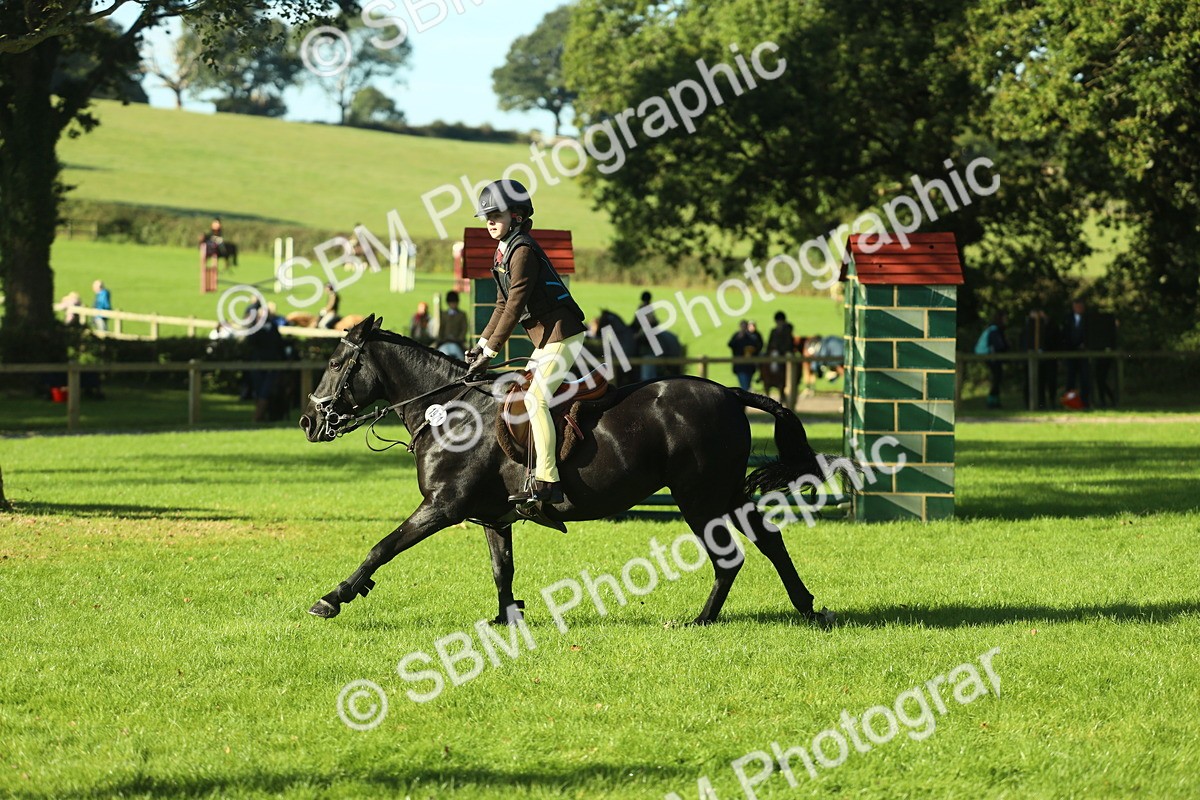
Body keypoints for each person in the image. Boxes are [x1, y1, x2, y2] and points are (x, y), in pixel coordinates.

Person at [465, 179, 587, 511]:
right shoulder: (504, 250)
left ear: (517, 216)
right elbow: (501, 306)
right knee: (521, 396)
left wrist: (490, 353)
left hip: (562, 334)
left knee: (536, 399)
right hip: (546, 339)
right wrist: (480, 345)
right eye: (486, 216)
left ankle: (549, 481)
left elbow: (516, 305)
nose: (489, 221)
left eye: (496, 215)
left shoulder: (522, 251)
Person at [1021, 309, 1059, 410]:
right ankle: (1029, 404)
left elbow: (1054, 338)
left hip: (1046, 358)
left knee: (1045, 381)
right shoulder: (1028, 327)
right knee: (1030, 381)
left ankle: (1047, 403)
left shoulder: (1048, 327)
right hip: (1030, 358)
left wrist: (1046, 320)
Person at [976, 312, 1009, 408]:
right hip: (991, 357)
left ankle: (995, 401)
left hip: (992, 357)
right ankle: (992, 402)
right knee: (997, 378)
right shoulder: (995, 330)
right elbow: (999, 346)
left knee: (997, 378)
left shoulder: (994, 329)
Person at [1062, 298, 1091, 408]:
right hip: (1071, 353)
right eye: (1076, 306)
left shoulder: (1088, 319)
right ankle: (1069, 402)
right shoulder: (1068, 319)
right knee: (1070, 379)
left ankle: (1084, 403)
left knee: (1085, 379)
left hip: (1084, 354)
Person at [762, 311, 795, 402]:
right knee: (762, 357)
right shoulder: (773, 331)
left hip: (782, 352)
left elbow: (788, 344)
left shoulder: (787, 331)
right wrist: (769, 349)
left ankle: (778, 375)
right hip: (772, 351)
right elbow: (769, 343)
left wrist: (779, 349)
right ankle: (762, 376)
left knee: (777, 357)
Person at [727, 320, 762, 391]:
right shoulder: (737, 336)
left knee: (746, 386)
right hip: (740, 366)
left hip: (749, 366)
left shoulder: (751, 337)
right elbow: (730, 344)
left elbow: (757, 346)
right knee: (745, 387)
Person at [434, 290, 469, 359]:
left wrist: (459, 339)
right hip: (445, 340)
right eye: (451, 303)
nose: (453, 304)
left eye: (455, 303)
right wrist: (440, 338)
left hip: (458, 341)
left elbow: (464, 328)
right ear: (448, 303)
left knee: (467, 354)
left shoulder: (462, 315)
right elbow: (441, 328)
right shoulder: (444, 314)